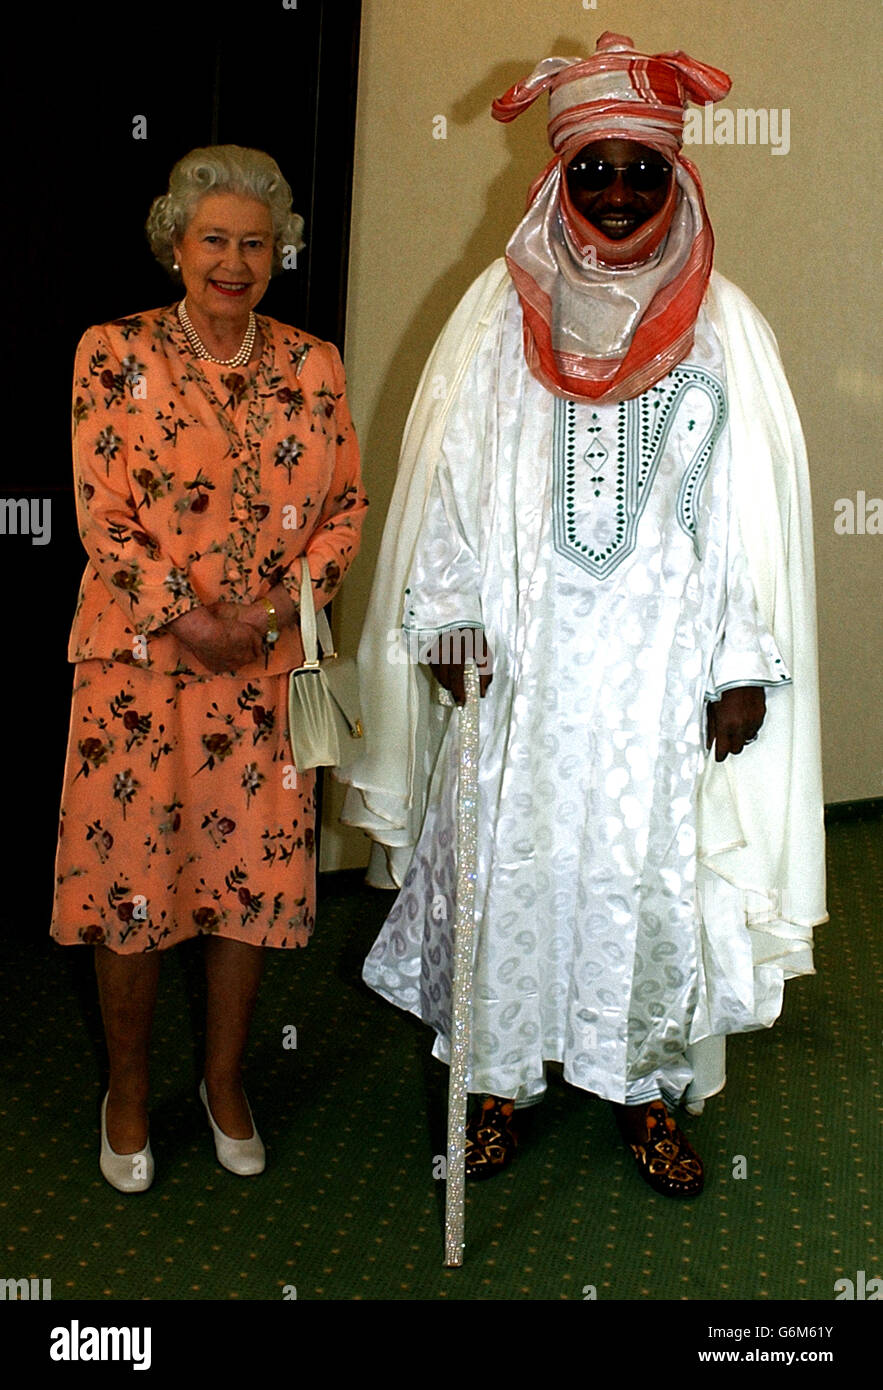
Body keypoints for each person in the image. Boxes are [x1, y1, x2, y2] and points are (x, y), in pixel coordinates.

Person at [340, 34, 825, 1198]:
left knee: (649, 885)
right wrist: (450, 626)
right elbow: (449, 493)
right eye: (595, 169)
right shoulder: (494, 320)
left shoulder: (725, 329)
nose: (618, 192)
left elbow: (752, 523)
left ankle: (648, 1087)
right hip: (520, 673)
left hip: (660, 681)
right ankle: (495, 1082)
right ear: (557, 177)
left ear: (677, 181)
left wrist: (744, 663)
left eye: (641, 171)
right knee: (508, 873)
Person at [51, 145, 368, 1192]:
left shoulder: (314, 362)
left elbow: (344, 511)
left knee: (246, 888)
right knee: (134, 886)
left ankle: (224, 1081)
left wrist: (277, 608)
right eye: (214, 240)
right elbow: (105, 511)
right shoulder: (114, 351)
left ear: (279, 251)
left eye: (256, 243)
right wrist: (190, 617)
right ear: (175, 244)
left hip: (266, 670)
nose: (235, 261)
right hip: (138, 667)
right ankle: (130, 1092)